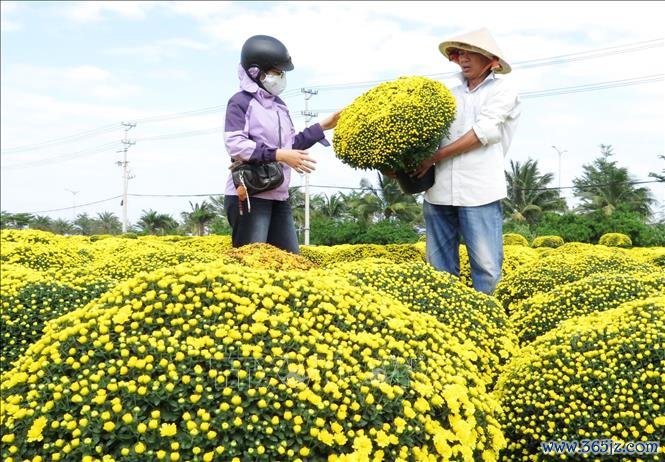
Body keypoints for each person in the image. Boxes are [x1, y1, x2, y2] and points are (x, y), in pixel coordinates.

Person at [412, 28, 521, 294]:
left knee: (486, 267)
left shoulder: (503, 90)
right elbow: (422, 131)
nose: (464, 59)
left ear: (490, 60)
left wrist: (433, 158)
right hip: (438, 193)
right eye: (460, 53)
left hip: (479, 192)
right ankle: (446, 325)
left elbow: (480, 134)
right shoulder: (445, 90)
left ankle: (490, 324)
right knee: (439, 270)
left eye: (472, 53)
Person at [223, 35, 339, 254]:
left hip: (279, 196)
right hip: (250, 196)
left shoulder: (280, 106)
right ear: (256, 72)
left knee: (291, 261)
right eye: (277, 71)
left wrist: (322, 126)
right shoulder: (240, 102)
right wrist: (280, 155)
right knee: (252, 265)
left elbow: (289, 145)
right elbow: (235, 144)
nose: (281, 77)